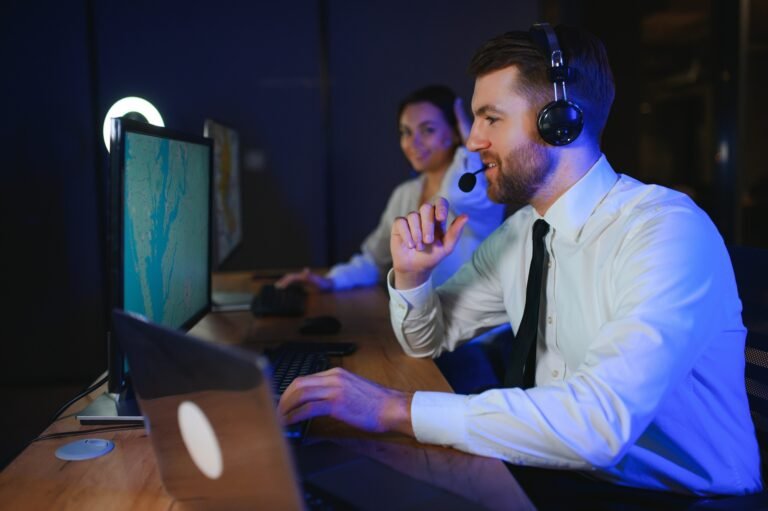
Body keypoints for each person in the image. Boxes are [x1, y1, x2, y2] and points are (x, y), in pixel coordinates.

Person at [277, 23, 762, 506]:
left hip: (683, 498)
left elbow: (598, 425)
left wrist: (393, 408)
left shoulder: (665, 231)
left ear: (560, 121)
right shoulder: (522, 235)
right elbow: (427, 337)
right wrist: (413, 276)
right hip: (568, 472)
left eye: (491, 119)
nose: (471, 142)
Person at [275, 85, 504, 292]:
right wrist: (331, 280)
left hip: (478, 336)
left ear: (455, 133)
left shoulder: (484, 187)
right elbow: (376, 258)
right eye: (406, 132)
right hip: (426, 324)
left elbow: (456, 194)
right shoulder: (405, 194)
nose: (412, 143)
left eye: (427, 130)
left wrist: (469, 146)